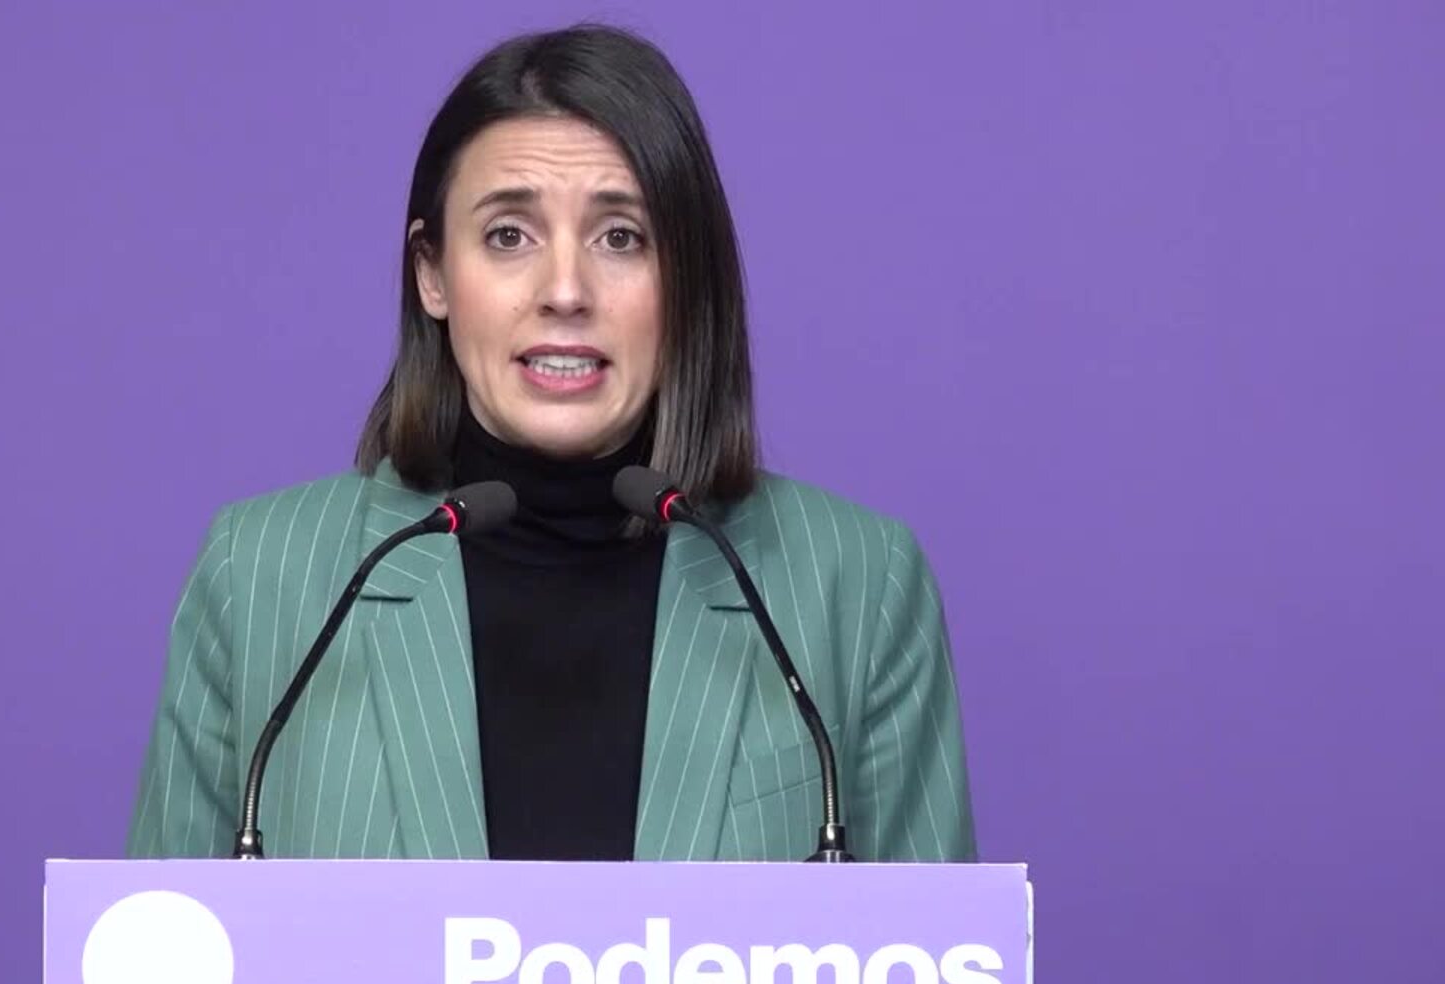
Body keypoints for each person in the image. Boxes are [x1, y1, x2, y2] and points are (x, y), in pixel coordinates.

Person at [126, 24, 975, 863]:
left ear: (688, 277)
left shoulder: (859, 584)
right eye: (509, 235)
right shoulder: (258, 576)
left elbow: (933, 952)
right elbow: (157, 947)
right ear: (432, 273)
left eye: (621, 237)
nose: (565, 290)